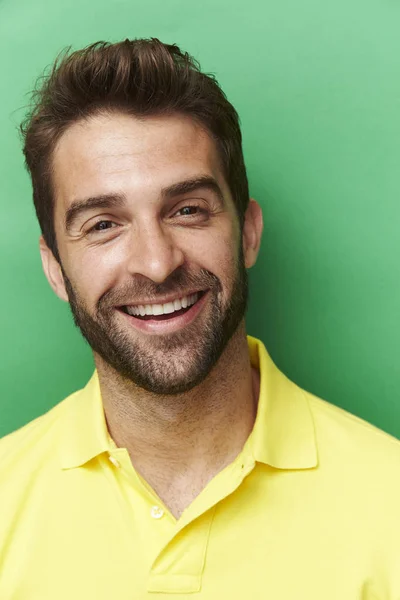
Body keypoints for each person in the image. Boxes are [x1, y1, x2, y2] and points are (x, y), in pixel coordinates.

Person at [0, 38, 399, 599]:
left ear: (249, 232)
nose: (158, 263)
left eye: (187, 211)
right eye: (103, 225)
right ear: (55, 269)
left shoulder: (391, 502)